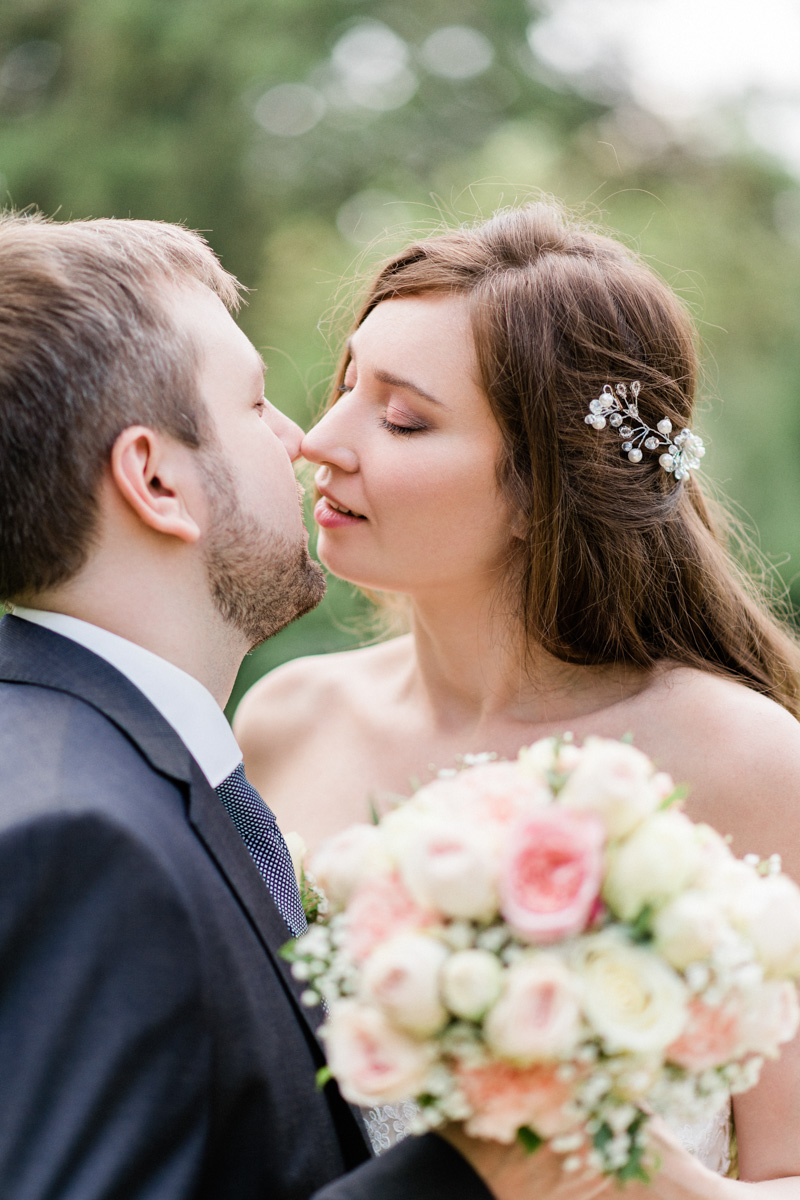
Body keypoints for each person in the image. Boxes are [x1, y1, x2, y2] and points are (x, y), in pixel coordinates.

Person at [235, 202, 800, 1189]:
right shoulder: (286, 718)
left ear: (548, 487)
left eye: (403, 417)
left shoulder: (744, 760)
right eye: (344, 384)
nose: (320, 440)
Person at [0, 211, 547, 1200]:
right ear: (156, 480)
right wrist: (471, 1171)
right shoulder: (83, 842)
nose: (301, 442)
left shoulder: (93, 767)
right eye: (255, 405)